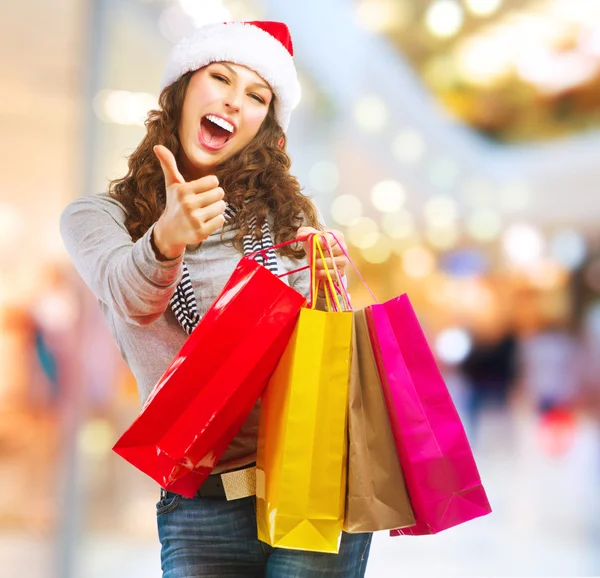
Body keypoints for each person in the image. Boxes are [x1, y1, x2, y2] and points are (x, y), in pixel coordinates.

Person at [60, 20, 372, 578]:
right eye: (220, 77)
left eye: (257, 94)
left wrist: (324, 286)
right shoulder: (100, 219)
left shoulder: (287, 219)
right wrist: (164, 239)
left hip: (314, 479)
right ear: (182, 90)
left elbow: (311, 361)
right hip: (199, 500)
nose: (235, 99)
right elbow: (131, 298)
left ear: (265, 125)